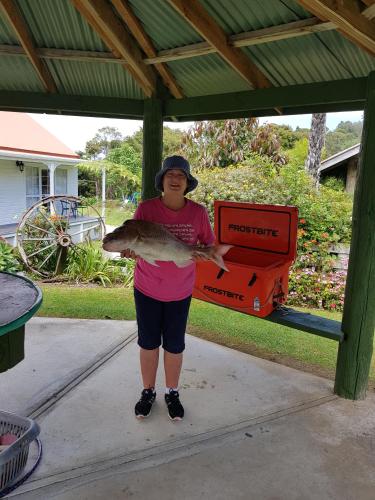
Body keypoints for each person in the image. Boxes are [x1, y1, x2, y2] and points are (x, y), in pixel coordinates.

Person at [123, 155, 215, 421]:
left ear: (187, 183)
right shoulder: (146, 209)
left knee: (175, 346)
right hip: (147, 289)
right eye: (170, 175)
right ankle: (148, 391)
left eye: (181, 176)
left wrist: (204, 254)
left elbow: (207, 244)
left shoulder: (197, 212)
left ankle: (172, 392)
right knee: (148, 343)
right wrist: (130, 251)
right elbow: (133, 240)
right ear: (162, 181)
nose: (175, 179)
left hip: (180, 292)